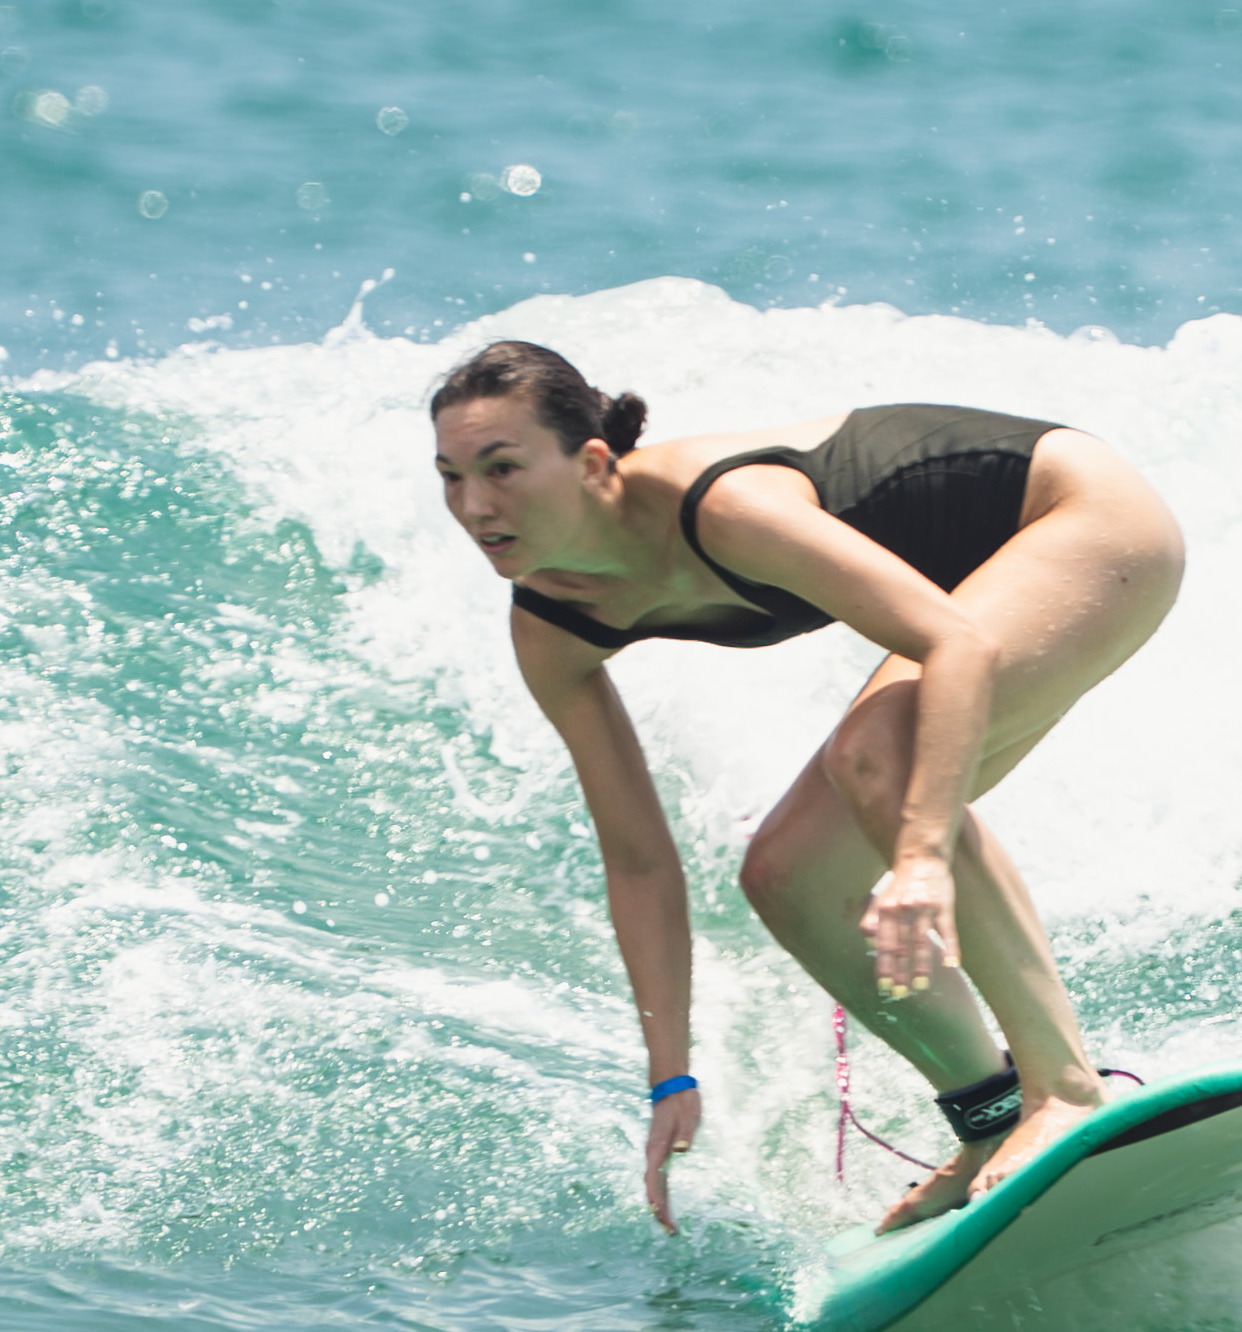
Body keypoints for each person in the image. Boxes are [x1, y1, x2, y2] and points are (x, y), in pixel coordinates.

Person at [429, 340, 1184, 1233]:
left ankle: (1064, 1090)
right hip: (971, 590)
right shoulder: (553, 626)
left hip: (1082, 517)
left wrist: (920, 859)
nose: (475, 506)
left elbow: (957, 645)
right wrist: (669, 1074)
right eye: (450, 476)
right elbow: (637, 859)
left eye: (502, 469)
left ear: (592, 461)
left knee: (879, 757)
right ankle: (989, 1117)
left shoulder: (725, 506)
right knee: (788, 873)